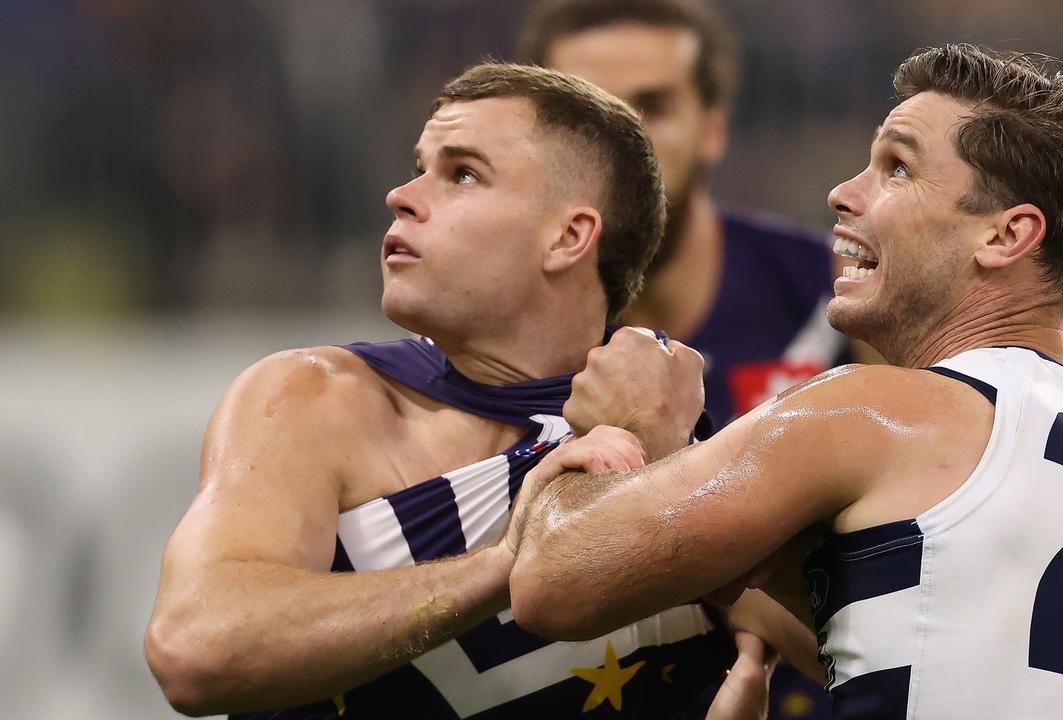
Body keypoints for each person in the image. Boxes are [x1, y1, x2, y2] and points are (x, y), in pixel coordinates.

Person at [508, 45, 1063, 719]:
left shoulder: (873, 409)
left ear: (1006, 236)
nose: (843, 193)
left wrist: (628, 432)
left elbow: (551, 582)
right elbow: (927, 653)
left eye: (897, 168)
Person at [144, 62, 814, 719]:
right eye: (418, 166)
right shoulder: (310, 398)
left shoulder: (686, 458)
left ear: (568, 236)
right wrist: (504, 568)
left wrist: (669, 464)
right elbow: (195, 648)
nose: (402, 195)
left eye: (462, 174)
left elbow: (865, 655)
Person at [519, 0, 878, 433]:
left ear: (713, 129)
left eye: (652, 107)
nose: (622, 141)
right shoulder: (500, 331)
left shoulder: (838, 293)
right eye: (585, 114)